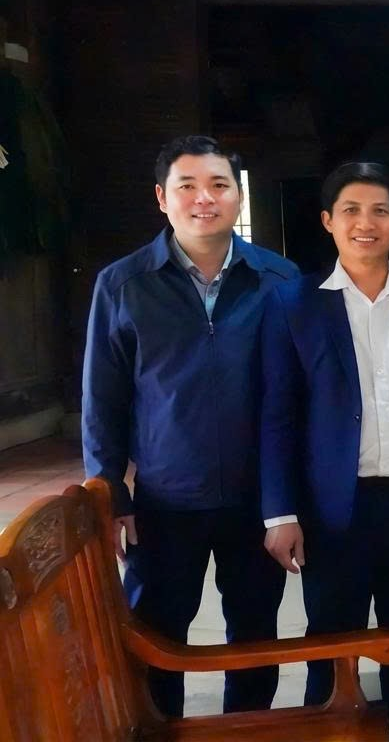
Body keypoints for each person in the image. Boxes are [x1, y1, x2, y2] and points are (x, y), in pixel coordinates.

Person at [82, 134, 297, 717]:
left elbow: (293, 398)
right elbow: (102, 398)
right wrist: (110, 492)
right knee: (156, 634)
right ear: (162, 197)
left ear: (238, 196)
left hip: (256, 500)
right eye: (188, 186)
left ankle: (244, 730)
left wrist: (287, 503)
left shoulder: (279, 280)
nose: (205, 198)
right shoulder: (123, 285)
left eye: (219, 185)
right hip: (164, 499)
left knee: (254, 634)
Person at [258, 162, 389, 741]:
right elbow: (278, 414)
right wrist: (280, 512)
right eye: (351, 211)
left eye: (380, 211)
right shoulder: (294, 303)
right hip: (335, 508)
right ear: (328, 221)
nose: (366, 223)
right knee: (330, 643)